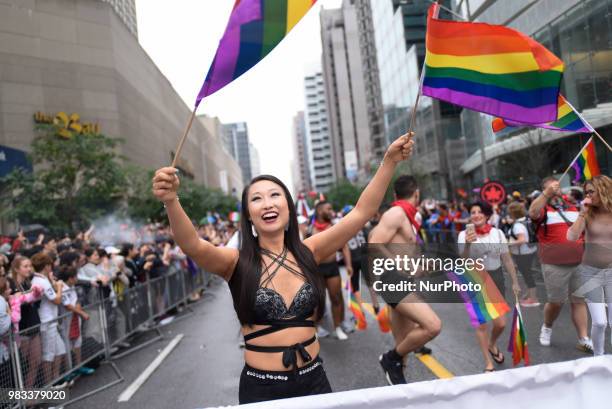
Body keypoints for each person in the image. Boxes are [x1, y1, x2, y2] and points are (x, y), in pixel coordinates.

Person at [152, 133, 414, 404]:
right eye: (257, 199)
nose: (267, 203)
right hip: (263, 390)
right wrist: (171, 200)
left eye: (275, 195)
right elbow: (193, 245)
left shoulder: (310, 251)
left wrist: (389, 162)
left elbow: (361, 212)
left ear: (288, 208)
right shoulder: (235, 263)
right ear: (249, 215)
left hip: (315, 380)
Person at [369, 175, 442, 385]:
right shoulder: (396, 213)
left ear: (395, 194)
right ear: (417, 193)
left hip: (403, 280)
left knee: (404, 345)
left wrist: (424, 267)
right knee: (432, 325)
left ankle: (398, 386)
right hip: (392, 279)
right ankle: (389, 359)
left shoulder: (408, 218)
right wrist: (398, 264)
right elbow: (374, 243)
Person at [528, 177, 592, 352]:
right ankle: (547, 326)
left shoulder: (573, 207)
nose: (556, 188)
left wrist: (584, 212)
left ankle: (584, 337)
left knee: (579, 301)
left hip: (579, 262)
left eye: (557, 186)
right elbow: (532, 212)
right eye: (551, 187)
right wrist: (545, 195)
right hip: (554, 264)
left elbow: (582, 230)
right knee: (556, 302)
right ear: (544, 190)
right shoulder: (543, 209)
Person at [458, 202, 521, 372]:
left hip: (495, 277)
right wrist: (468, 244)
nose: (476, 215)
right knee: (482, 324)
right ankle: (488, 363)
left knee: (500, 324)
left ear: (486, 215)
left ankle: (492, 345)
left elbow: (506, 259)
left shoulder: (497, 233)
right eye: (473, 212)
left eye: (480, 212)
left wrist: (515, 281)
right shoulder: (463, 234)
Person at [567, 175, 612, 356]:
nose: (588, 196)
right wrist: (582, 213)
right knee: (600, 322)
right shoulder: (587, 213)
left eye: (591, 192)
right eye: (586, 192)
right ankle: (598, 357)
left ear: (603, 189)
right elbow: (571, 237)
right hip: (591, 272)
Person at [310, 201, 353, 340]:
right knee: (318, 301)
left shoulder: (334, 226)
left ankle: (337, 327)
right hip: (316, 270)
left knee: (336, 298)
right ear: (319, 211)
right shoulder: (310, 229)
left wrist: (348, 265)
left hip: (332, 267)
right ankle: (316, 327)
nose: (331, 211)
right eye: (328, 208)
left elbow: (344, 246)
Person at [30, 252, 65, 385]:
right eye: (50, 265)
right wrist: (60, 287)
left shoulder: (42, 280)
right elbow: (56, 300)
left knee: (60, 350)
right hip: (46, 322)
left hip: (51, 321)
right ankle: (49, 385)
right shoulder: (41, 281)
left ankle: (55, 381)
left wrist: (53, 283)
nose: (51, 267)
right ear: (46, 266)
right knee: (48, 355)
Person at [506, 201, 540, 307]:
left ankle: (533, 298)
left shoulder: (517, 225)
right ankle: (530, 293)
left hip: (522, 254)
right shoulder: (526, 220)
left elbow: (522, 239)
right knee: (528, 273)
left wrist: (508, 243)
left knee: (527, 274)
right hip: (530, 250)